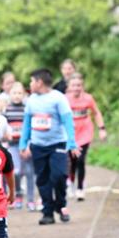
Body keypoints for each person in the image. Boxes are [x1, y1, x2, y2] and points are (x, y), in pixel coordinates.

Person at [20, 68, 78, 225]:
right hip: (38, 145)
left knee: (59, 175)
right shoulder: (31, 100)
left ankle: (61, 204)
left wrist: (72, 142)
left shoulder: (58, 98)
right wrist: (23, 144)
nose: (30, 84)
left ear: (39, 82)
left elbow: (67, 121)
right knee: (43, 179)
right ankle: (48, 213)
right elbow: (26, 124)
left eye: (31, 81)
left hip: (57, 144)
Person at [65, 72, 107, 201]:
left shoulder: (88, 98)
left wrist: (102, 129)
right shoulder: (64, 99)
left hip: (85, 132)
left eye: (79, 85)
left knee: (81, 160)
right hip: (70, 133)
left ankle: (80, 188)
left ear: (82, 86)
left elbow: (96, 113)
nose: (76, 88)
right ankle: (70, 183)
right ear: (69, 86)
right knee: (71, 161)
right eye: (74, 85)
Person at [2, 81, 36, 211]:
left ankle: (31, 200)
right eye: (14, 93)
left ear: (24, 94)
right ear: (9, 94)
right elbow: (4, 127)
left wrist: (29, 143)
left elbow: (31, 127)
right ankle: (18, 195)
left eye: (19, 93)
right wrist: (6, 136)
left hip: (26, 145)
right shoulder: (7, 110)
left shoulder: (27, 109)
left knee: (29, 172)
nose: (17, 95)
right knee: (15, 172)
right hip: (13, 145)